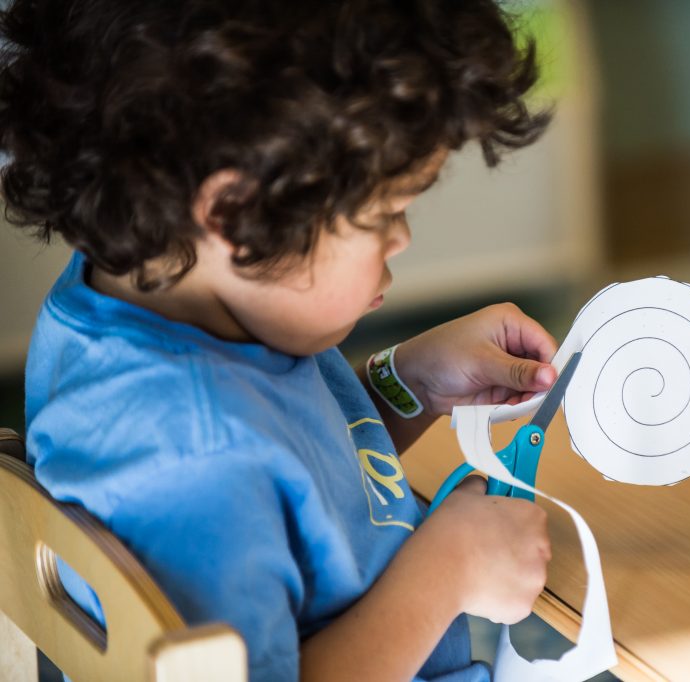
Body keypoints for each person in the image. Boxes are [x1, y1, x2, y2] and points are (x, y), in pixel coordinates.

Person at [0, 1, 559, 679]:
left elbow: (287, 483)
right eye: (384, 212)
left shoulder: (152, 307)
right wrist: (449, 573)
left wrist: (407, 384)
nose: (402, 238)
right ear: (235, 214)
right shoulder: (190, 462)